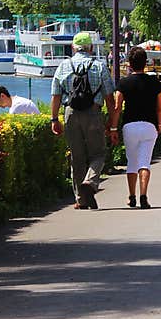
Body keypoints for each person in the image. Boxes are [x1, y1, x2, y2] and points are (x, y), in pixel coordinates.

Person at [50, 31, 117, 210]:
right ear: (91, 48)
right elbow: (110, 97)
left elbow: (56, 95)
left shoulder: (64, 66)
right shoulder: (99, 66)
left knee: (77, 157)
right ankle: (90, 182)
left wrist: (54, 119)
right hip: (93, 113)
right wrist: (112, 121)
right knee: (98, 153)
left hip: (70, 113)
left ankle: (81, 198)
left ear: (73, 47)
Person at [109, 46, 161, 209]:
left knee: (132, 161)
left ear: (129, 64)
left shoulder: (124, 83)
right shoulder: (154, 82)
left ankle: (131, 196)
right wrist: (159, 124)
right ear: (145, 62)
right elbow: (160, 107)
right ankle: (144, 195)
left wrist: (113, 128)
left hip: (130, 126)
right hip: (149, 125)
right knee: (144, 162)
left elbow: (118, 107)